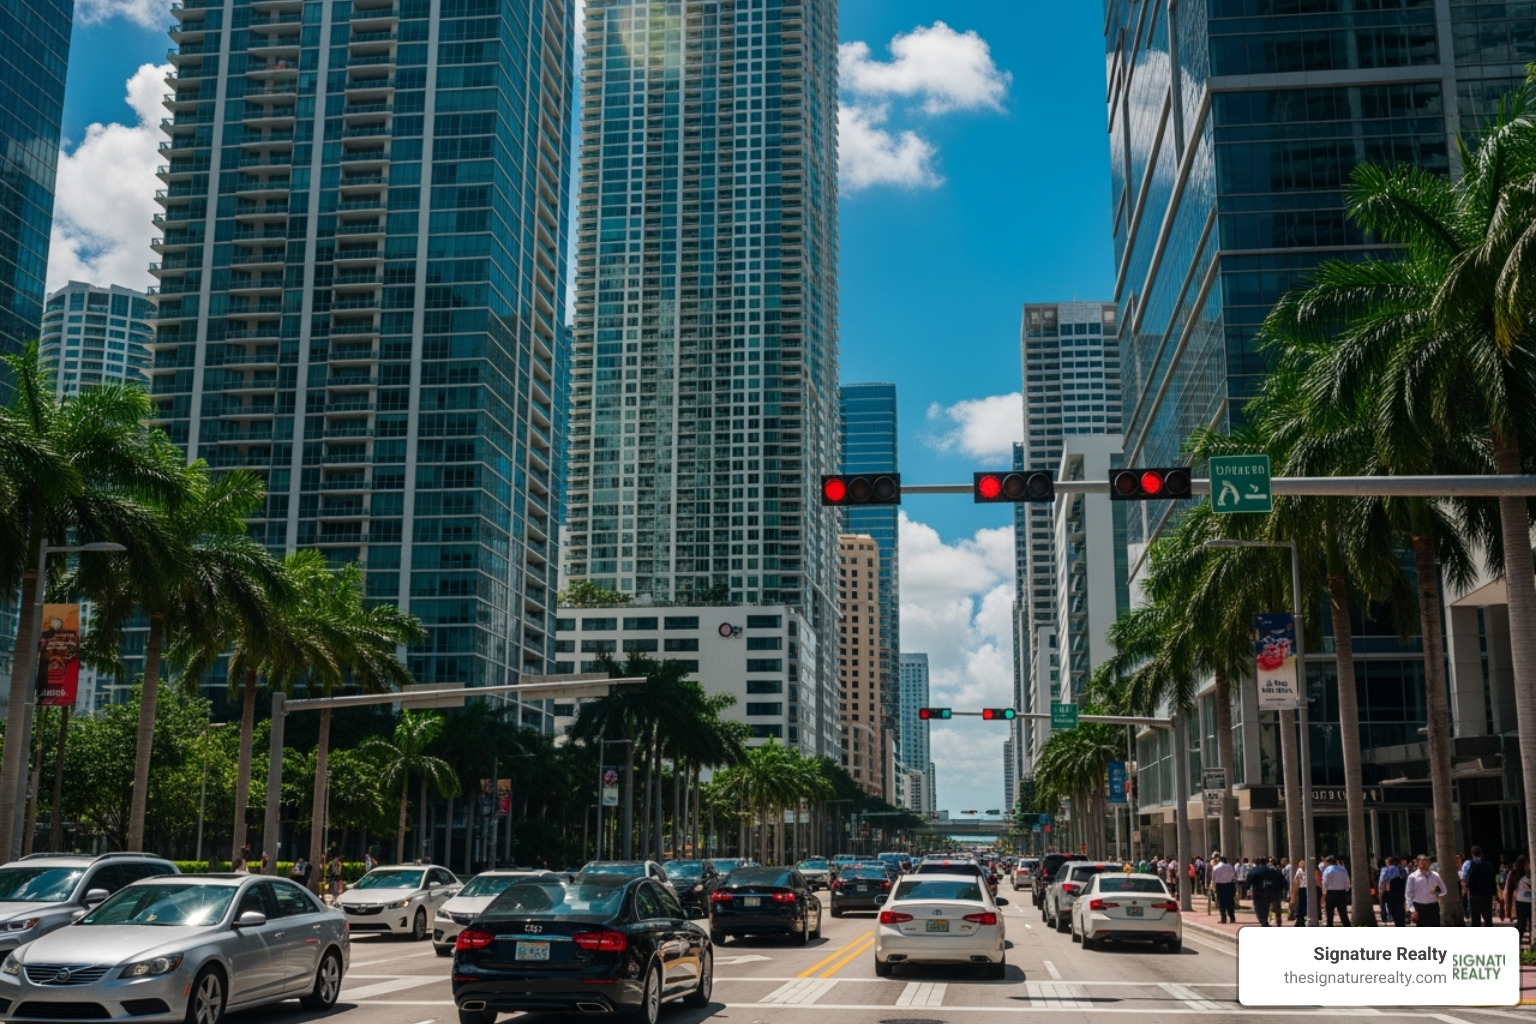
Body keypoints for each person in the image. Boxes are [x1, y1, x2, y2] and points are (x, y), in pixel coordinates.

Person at [1407, 854, 1447, 927]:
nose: (1425, 864)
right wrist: (1412, 909)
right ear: (1418, 863)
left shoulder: (1435, 875)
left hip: (1433, 906)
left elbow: (1444, 890)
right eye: (1423, 862)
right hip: (1419, 907)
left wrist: (1438, 894)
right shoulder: (1413, 877)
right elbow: (1408, 894)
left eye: (1427, 862)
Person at [1463, 845, 1498, 927]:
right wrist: (1495, 894)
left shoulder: (1468, 864)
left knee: (1475, 921)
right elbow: (1492, 881)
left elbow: (1465, 879)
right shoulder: (1488, 866)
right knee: (1488, 920)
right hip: (1486, 896)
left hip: (1473, 896)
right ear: (1482, 854)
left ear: (1472, 854)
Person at [1249, 857, 1285, 926]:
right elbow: (1282, 879)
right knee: (1277, 910)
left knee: (1260, 909)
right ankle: (1278, 924)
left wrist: (1247, 888)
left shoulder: (1254, 871)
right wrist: (1282, 889)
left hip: (1260, 894)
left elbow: (1249, 880)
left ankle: (1265, 923)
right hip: (1274, 892)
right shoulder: (1274, 871)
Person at [1504, 855, 1530, 946]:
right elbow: (1509, 889)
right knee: (1521, 925)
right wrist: (1508, 905)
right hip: (1522, 902)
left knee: (1527, 924)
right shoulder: (1515, 873)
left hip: (1527, 902)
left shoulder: (1531, 872)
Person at [1321, 855, 1350, 927]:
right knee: (1343, 914)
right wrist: (1345, 889)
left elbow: (1325, 882)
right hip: (1341, 893)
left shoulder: (1327, 870)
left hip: (1331, 893)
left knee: (1329, 915)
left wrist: (1324, 894)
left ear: (1328, 862)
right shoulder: (1343, 869)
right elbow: (1347, 882)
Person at [1379, 855, 1406, 927]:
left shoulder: (1386, 870)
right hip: (1401, 891)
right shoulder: (1402, 869)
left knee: (1392, 908)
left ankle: (1392, 919)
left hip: (1391, 891)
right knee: (1400, 908)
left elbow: (1383, 880)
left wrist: (1381, 892)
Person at [1211, 854, 1237, 923]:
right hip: (1229, 885)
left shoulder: (1216, 867)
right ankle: (1232, 917)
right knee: (1230, 902)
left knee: (1221, 902)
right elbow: (1234, 876)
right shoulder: (1230, 867)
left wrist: (1212, 887)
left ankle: (1223, 918)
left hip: (1220, 886)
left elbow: (1213, 878)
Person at [1291, 858, 1310, 925]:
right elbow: (1296, 881)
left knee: (1305, 905)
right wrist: (1294, 892)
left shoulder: (1309, 870)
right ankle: (1300, 920)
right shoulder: (1299, 870)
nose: (1302, 865)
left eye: (1303, 863)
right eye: (1301, 863)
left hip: (1308, 889)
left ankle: (1300, 920)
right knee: (1301, 905)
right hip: (1302, 888)